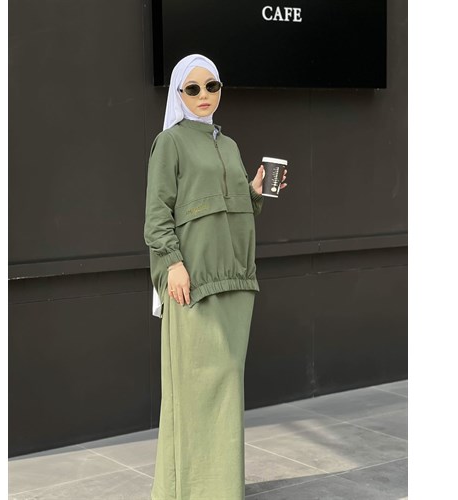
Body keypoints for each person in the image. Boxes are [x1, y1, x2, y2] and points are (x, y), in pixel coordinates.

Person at [143, 54, 288, 500]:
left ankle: (220, 488)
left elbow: (228, 208)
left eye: (213, 86)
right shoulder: (169, 142)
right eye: (193, 88)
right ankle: (185, 490)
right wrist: (173, 263)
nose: (204, 95)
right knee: (193, 388)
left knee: (225, 383)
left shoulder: (229, 145)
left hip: (235, 280)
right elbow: (156, 214)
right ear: (179, 94)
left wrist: (255, 192)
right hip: (192, 281)